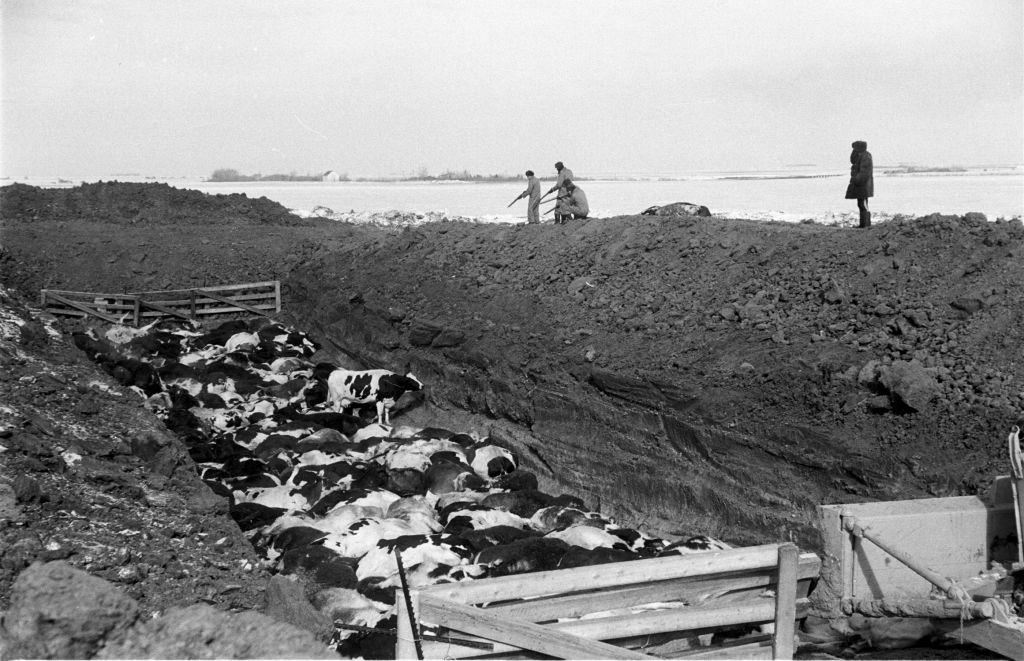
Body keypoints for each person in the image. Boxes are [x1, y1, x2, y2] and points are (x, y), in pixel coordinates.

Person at [845, 140, 874, 228]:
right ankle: (863, 224)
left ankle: (866, 224)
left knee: (863, 204)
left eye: (855, 148)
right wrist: (854, 152)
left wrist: (856, 180)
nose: (854, 150)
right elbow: (852, 160)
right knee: (861, 204)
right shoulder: (860, 155)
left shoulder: (866, 156)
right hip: (861, 185)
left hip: (863, 185)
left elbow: (864, 172)